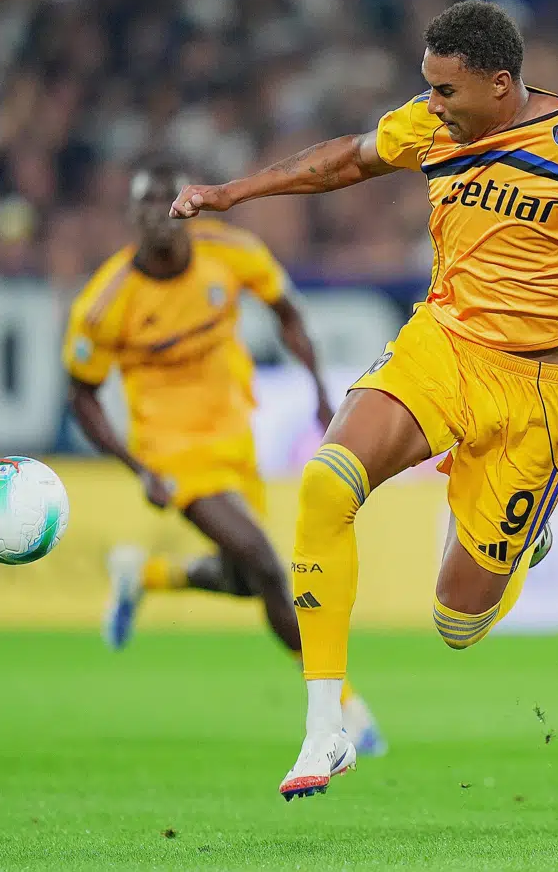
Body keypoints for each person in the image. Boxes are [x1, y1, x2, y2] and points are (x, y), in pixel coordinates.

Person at [169, 0, 558, 801]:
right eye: (426, 87)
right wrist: (232, 193)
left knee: (457, 622)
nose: (431, 104)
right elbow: (343, 161)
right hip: (445, 343)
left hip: (540, 393)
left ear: (502, 85)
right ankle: (327, 722)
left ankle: (525, 528)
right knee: (328, 481)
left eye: (446, 91)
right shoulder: (433, 127)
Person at [62, 164, 385, 756]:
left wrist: (316, 388)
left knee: (245, 579)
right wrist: (138, 468)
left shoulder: (230, 252)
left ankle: (148, 574)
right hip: (172, 453)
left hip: (236, 438)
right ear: (130, 217)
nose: (159, 208)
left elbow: (286, 310)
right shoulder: (106, 303)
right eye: (145, 200)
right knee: (267, 567)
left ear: (186, 207)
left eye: (168, 196)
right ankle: (344, 712)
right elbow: (80, 394)